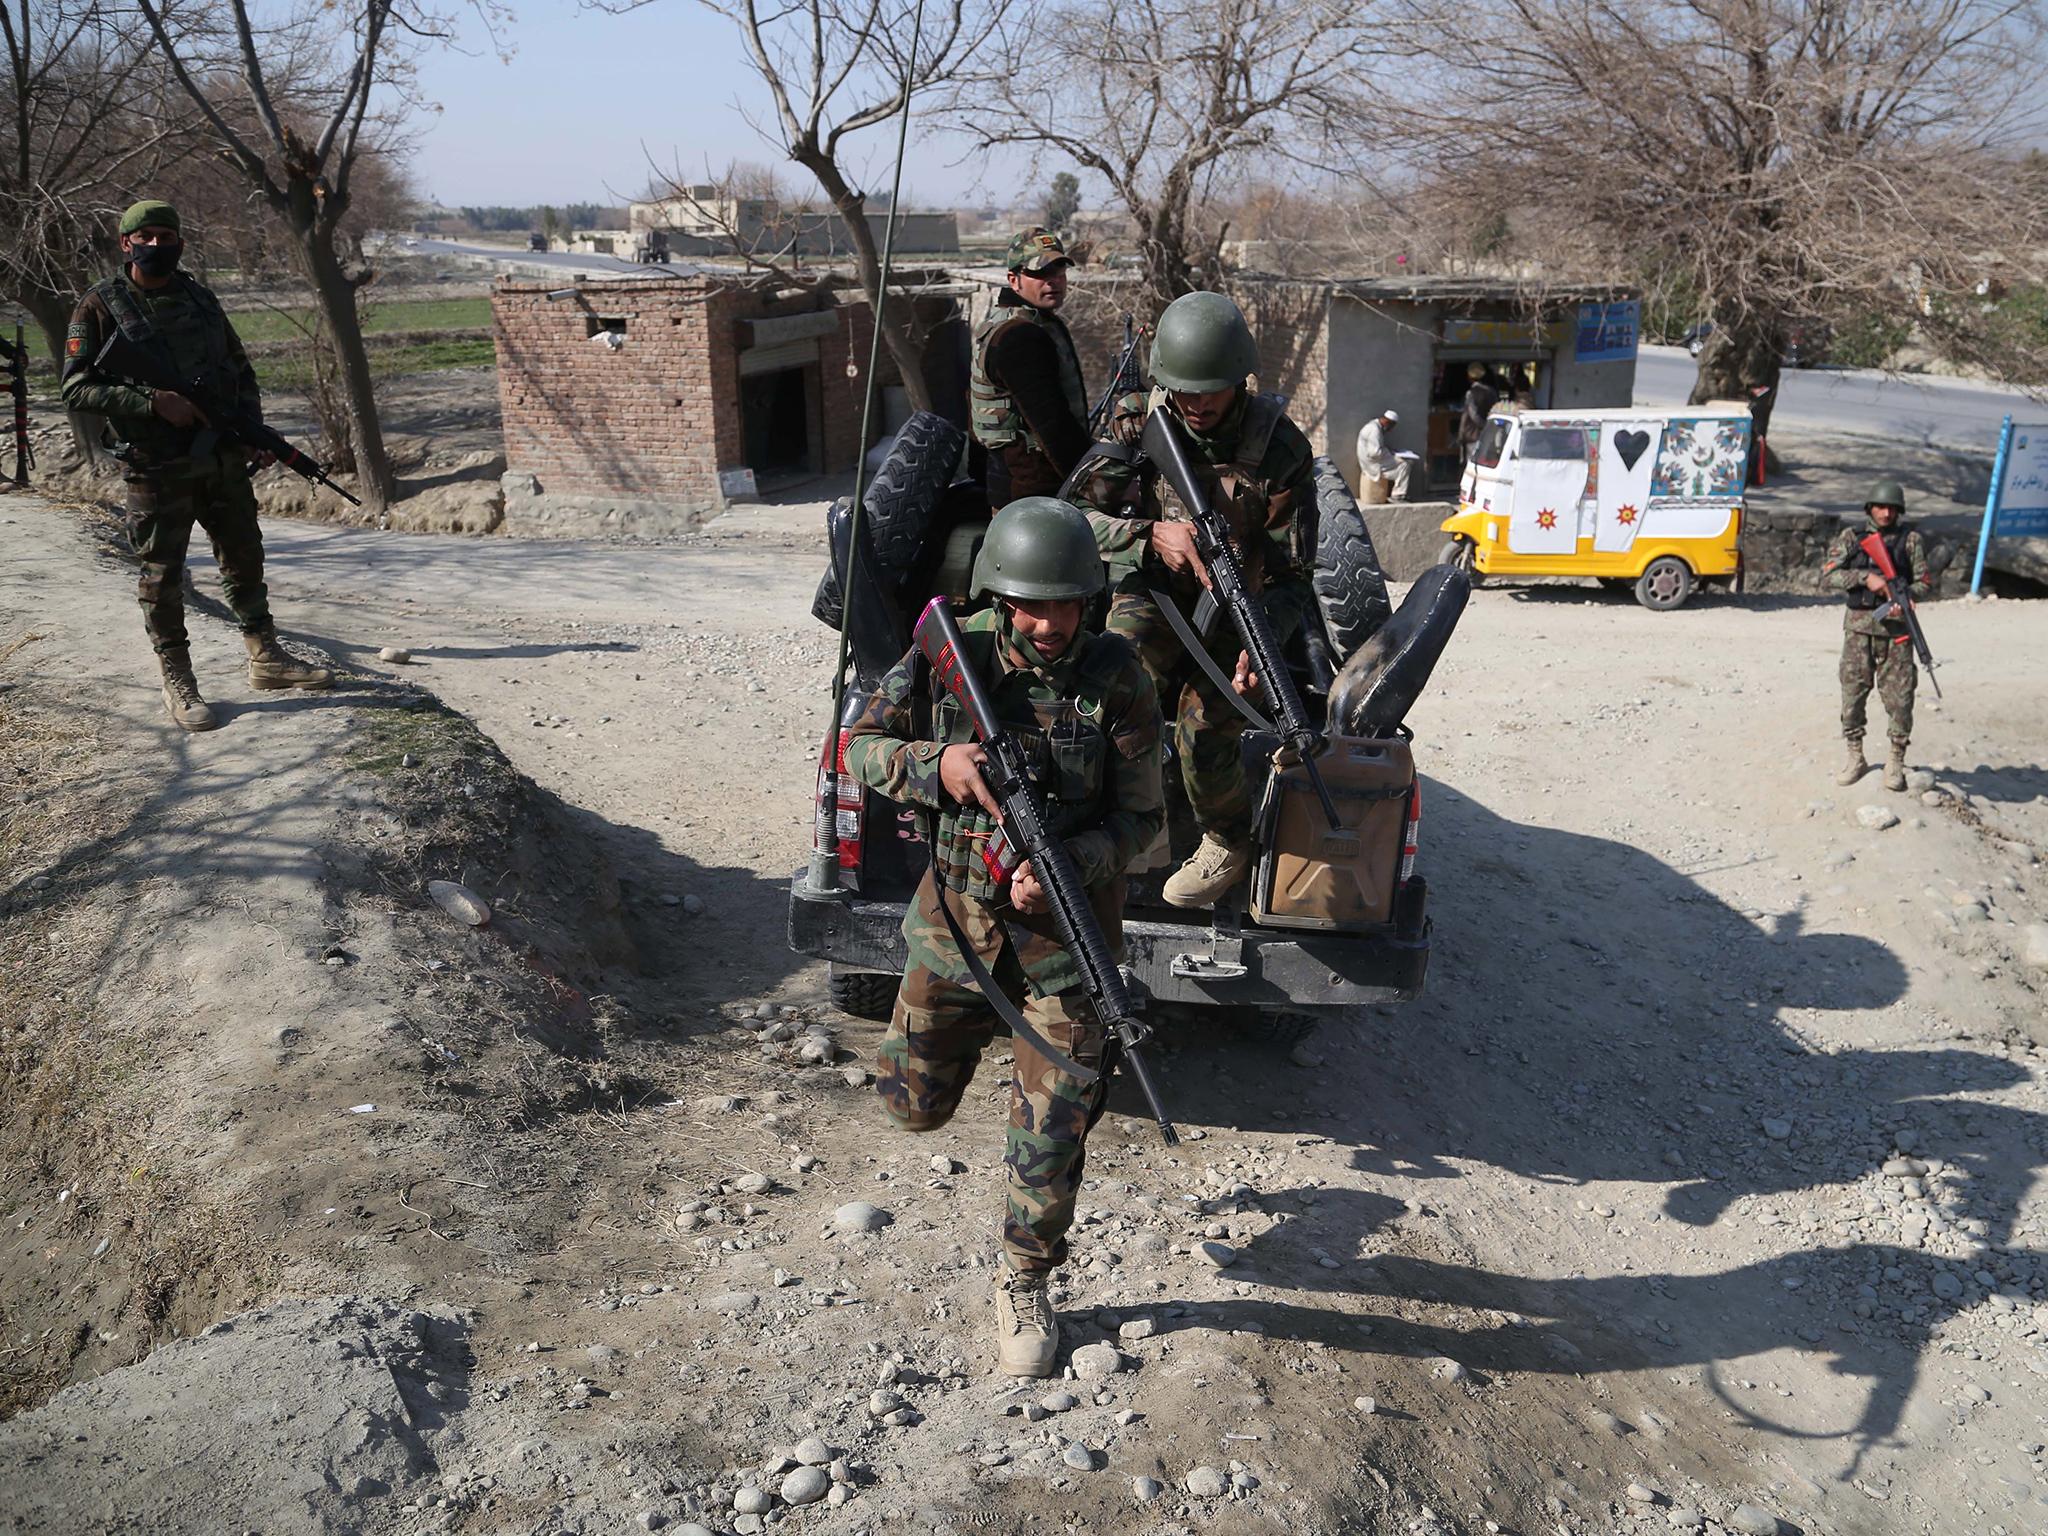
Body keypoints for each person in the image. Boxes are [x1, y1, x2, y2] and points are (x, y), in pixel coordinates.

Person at [842, 496, 1164, 1377]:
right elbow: (857, 748)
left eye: (1065, 603)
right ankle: (974, 1066)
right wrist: (933, 766)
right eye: (1030, 603)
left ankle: (1024, 1278)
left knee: (1053, 1128)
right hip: (953, 931)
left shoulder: (1120, 676)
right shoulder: (952, 656)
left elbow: (1146, 823)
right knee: (912, 1109)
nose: (1049, 622)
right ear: (996, 595)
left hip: (1067, 946)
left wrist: (1074, 859)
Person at [1069, 289, 1316, 909]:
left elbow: (1291, 578)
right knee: (1116, 678)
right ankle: (1124, 823)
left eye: (1210, 390)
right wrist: (1149, 534)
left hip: (1238, 600)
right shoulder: (1134, 420)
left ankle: (1226, 838)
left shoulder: (1281, 450)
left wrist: (1266, 646)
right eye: (1182, 389)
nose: (1194, 404)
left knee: (1209, 716)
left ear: (1241, 380)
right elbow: (1069, 518)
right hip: (1150, 585)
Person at [61, 199, 332, 731]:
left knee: (243, 555)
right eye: (148, 236)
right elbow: (75, 386)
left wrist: (252, 431)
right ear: (126, 243)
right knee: (162, 574)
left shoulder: (201, 299)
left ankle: (265, 655)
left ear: (180, 242)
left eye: (167, 236)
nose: (158, 245)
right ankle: (178, 679)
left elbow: (239, 370)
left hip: (221, 457)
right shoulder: (100, 305)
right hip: (156, 467)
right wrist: (150, 402)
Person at [1821, 480, 1932, 791]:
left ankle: (1896, 760)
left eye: (1891, 508)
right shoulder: (1851, 539)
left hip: (1897, 633)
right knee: (1852, 693)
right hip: (1858, 630)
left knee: (1901, 697)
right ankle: (1855, 756)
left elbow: (1925, 581)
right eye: (1880, 507)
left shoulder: (1910, 541)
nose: (1885, 513)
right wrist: (1864, 577)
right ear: (1869, 507)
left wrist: (1907, 596)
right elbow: (1828, 574)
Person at [970, 228, 1092, 503]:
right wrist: (1099, 487)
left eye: (1060, 271)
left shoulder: (1003, 322)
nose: (1054, 281)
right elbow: (1053, 427)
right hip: (1033, 498)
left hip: (1016, 488)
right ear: (1014, 280)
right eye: (1040, 273)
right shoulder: (1019, 336)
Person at [1355, 408, 1411, 503]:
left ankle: (1398, 493)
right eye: (1391, 427)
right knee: (1405, 464)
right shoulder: (1375, 430)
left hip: (1370, 461)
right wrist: (1389, 453)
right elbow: (1375, 453)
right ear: (1387, 422)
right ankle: (1398, 495)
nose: (1390, 430)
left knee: (1401, 466)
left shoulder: (1373, 425)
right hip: (1372, 464)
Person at [1457, 363, 1498, 464]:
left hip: (1472, 434)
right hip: (1489, 434)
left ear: (1469, 377)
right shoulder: (1492, 392)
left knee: (1472, 463)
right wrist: (1489, 427)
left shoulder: (1470, 393)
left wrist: (1483, 426)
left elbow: (1473, 415)